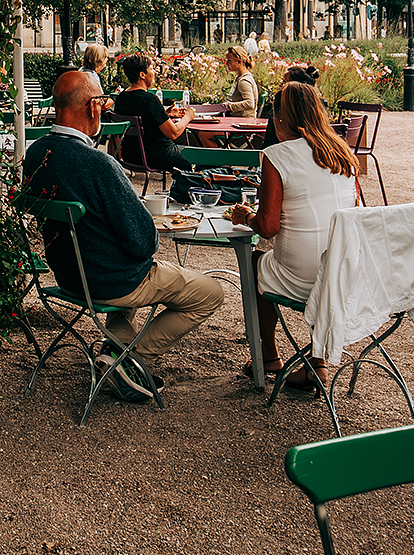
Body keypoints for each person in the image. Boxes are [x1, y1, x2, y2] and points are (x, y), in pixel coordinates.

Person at [24, 69, 230, 399]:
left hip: (69, 275)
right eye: (103, 102)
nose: (105, 109)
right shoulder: (99, 164)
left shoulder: (36, 153)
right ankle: (132, 360)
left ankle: (114, 349)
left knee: (119, 263)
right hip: (113, 280)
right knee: (211, 293)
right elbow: (143, 242)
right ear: (92, 107)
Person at [228, 82, 367, 390]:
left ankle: (268, 356)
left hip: (304, 276)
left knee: (255, 262)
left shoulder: (276, 155)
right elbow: (355, 209)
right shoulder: (342, 151)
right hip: (345, 271)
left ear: (281, 119)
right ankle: (316, 362)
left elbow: (268, 227)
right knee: (320, 255)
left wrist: (246, 216)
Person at [113, 52, 194, 176]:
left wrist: (165, 114)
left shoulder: (121, 98)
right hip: (158, 155)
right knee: (203, 158)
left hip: (131, 155)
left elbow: (145, 118)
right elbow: (174, 133)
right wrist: (188, 116)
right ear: (142, 75)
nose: (154, 72)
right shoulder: (149, 99)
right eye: (151, 69)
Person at [220, 46, 258, 117]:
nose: (226, 63)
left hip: (244, 122)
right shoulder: (239, 78)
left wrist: (228, 106)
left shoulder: (244, 81)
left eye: (229, 61)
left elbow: (249, 103)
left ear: (239, 61)